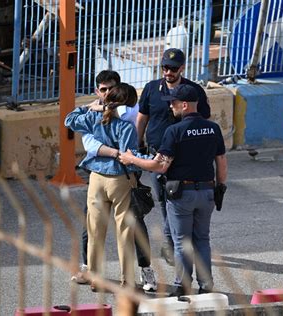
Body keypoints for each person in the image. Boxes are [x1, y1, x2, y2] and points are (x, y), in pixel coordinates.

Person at [120, 84, 227, 296]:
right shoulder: (213, 128)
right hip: (207, 192)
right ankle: (206, 286)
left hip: (182, 195)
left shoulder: (174, 131)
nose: (170, 106)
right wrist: (220, 188)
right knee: (202, 240)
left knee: (181, 242)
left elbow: (161, 166)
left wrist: (131, 159)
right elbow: (221, 162)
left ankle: (182, 286)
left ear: (184, 105)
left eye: (174, 102)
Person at [70, 71, 156, 292]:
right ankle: (127, 281)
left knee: (94, 230)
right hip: (120, 180)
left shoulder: (94, 119)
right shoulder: (126, 127)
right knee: (124, 233)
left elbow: (69, 120)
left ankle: (95, 278)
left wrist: (89, 108)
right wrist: (151, 162)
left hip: (96, 179)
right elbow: (130, 159)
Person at [136, 48, 211, 265]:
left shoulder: (193, 90)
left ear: (182, 68)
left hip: (183, 158)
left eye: (173, 68)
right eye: (165, 68)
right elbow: (142, 118)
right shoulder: (152, 89)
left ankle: (173, 243)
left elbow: (203, 120)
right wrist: (138, 142)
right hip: (157, 155)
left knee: (175, 200)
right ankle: (176, 241)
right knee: (163, 200)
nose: (168, 72)